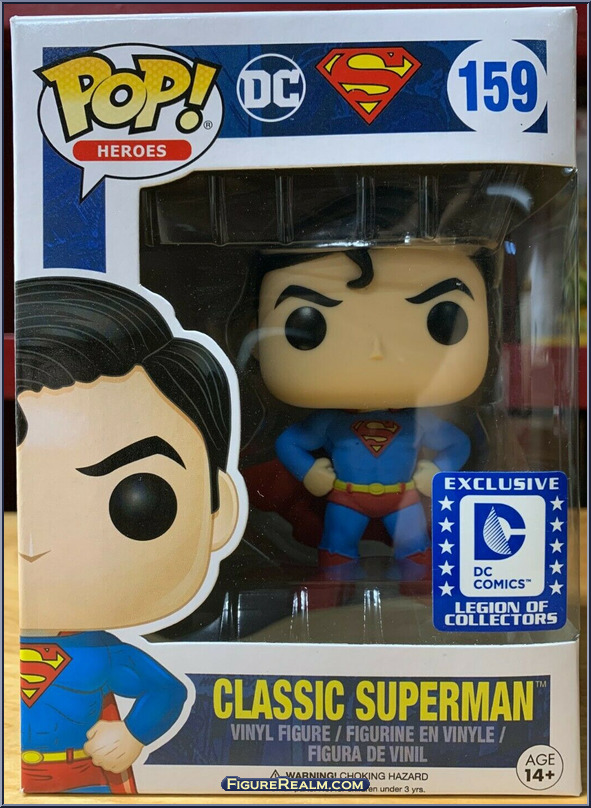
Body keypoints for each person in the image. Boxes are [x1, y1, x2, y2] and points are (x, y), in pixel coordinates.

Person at [16, 276, 239, 793]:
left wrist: (134, 735)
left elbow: (167, 692)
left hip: (85, 775)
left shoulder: (105, 653)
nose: (33, 545)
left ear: (219, 510)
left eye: (139, 501)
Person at [255, 244, 490, 587]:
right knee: (337, 547)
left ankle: (419, 589)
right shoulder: (331, 420)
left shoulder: (417, 420)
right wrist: (307, 472)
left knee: (415, 549)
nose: (376, 351)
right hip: (347, 497)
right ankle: (334, 588)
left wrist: (442, 472)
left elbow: (457, 443)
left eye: (441, 320)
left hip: (403, 497)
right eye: (309, 324)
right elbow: (289, 442)